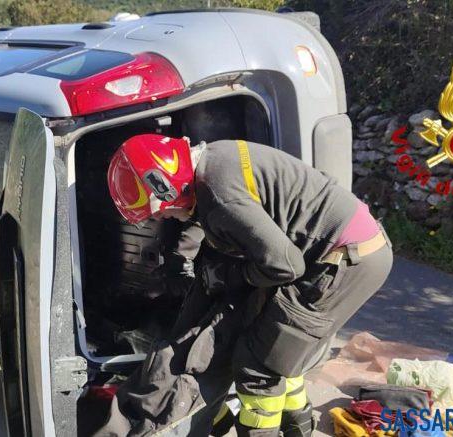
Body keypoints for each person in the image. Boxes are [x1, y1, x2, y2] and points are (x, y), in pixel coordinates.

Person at [99, 135, 394, 436]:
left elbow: (286, 265)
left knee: (258, 365)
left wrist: (232, 277)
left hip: (344, 262)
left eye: (159, 208)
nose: (161, 215)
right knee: (282, 352)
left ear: (167, 182)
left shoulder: (219, 196)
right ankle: (298, 429)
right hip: (344, 250)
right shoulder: (213, 161)